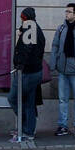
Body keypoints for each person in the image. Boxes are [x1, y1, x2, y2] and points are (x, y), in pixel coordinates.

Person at [51, 3, 75, 136]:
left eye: (69, 12)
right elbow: (55, 46)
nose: (66, 14)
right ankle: (62, 125)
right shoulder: (61, 28)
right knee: (63, 99)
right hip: (63, 69)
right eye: (66, 11)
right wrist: (53, 64)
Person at [9, 7, 46, 141]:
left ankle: (27, 128)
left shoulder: (30, 27)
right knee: (28, 101)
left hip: (28, 72)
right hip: (33, 71)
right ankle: (27, 128)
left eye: (22, 18)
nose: (21, 20)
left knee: (15, 98)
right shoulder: (33, 27)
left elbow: (27, 49)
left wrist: (20, 64)